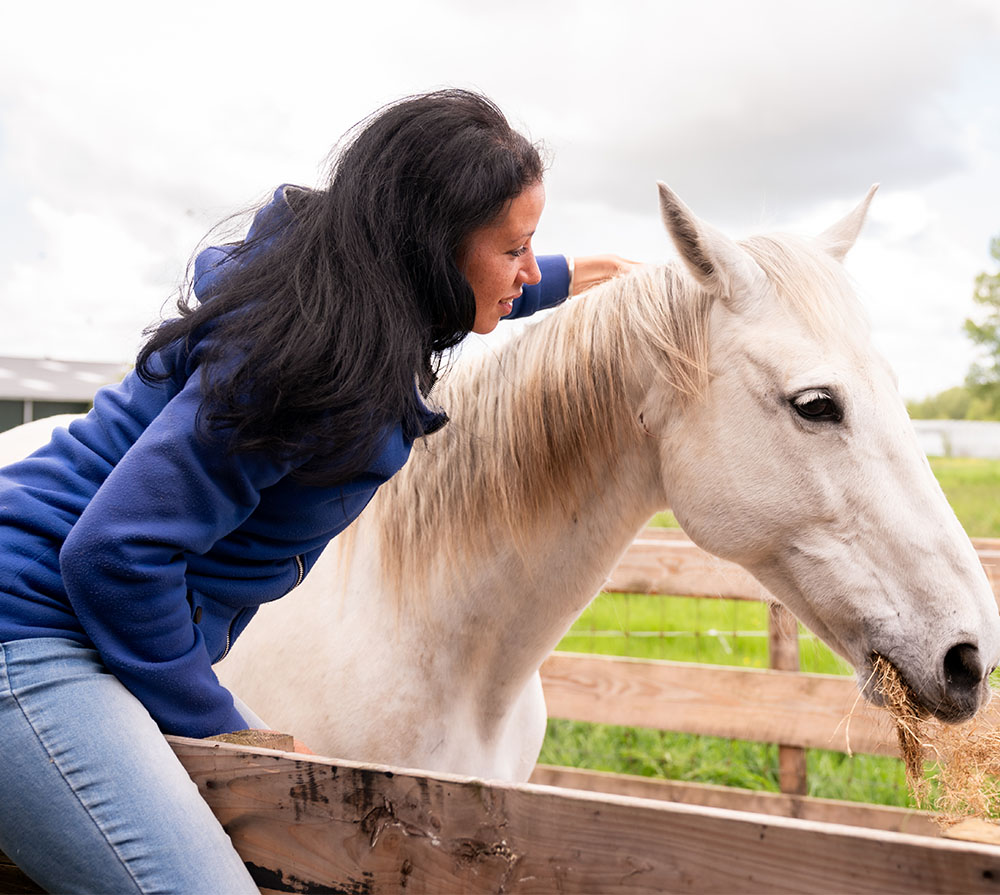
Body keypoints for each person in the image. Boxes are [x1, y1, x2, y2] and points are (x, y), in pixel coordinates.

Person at [0, 89, 632, 893]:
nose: (526, 270)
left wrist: (570, 278)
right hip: (27, 632)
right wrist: (227, 731)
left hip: (63, 623)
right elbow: (115, 552)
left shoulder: (341, 281)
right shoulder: (312, 370)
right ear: (435, 249)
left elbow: (448, 286)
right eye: (515, 250)